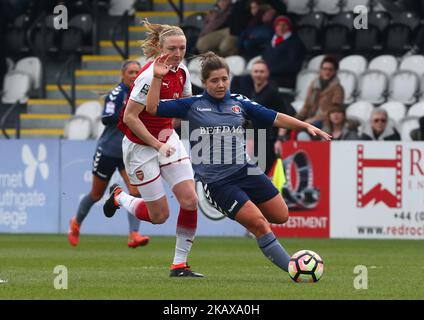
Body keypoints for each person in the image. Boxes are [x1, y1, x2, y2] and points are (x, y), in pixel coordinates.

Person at [139, 51, 331, 275]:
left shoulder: (239, 102)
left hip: (246, 171)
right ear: (204, 82)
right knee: (259, 224)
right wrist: (157, 78)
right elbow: (152, 108)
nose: (221, 84)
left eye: (224, 79)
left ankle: (248, 210)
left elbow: (275, 116)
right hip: (218, 182)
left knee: (281, 215)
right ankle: (294, 269)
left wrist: (306, 126)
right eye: (214, 80)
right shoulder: (192, 105)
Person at [103, 21, 203, 278]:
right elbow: (130, 118)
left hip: (167, 139)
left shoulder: (182, 71)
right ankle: (119, 197)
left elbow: (183, 107)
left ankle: (179, 264)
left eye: (182, 47)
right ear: (160, 47)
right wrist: (157, 143)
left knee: (191, 201)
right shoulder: (147, 76)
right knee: (159, 216)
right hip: (140, 146)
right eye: (172, 48)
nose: (178, 53)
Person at [68, 60, 150, 248]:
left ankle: (134, 234)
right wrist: (129, 114)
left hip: (126, 152)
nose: (134, 75)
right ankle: (75, 223)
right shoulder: (116, 94)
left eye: (137, 71)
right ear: (123, 75)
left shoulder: (142, 92)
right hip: (108, 151)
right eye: (130, 72)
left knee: (135, 191)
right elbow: (106, 118)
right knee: (96, 195)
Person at [231, 59, 296, 173]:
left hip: (266, 140)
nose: (258, 74)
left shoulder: (273, 93)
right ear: (251, 73)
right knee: (251, 176)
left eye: (261, 72)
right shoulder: (252, 93)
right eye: (256, 71)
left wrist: (280, 140)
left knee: (258, 176)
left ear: (267, 74)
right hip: (252, 139)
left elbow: (283, 116)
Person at [296, 55, 344, 139]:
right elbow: (306, 106)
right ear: (320, 70)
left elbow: (334, 110)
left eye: (330, 69)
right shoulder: (313, 85)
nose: (327, 72)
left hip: (326, 122)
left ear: (335, 71)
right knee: (290, 128)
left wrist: (312, 120)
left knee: (305, 130)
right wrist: (296, 119)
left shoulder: (338, 88)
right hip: (311, 120)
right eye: (324, 69)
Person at [261, 15, 304, 89]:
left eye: (284, 25)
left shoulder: (295, 43)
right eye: (278, 25)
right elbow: (264, 57)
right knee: (241, 79)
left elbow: (293, 65)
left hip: (284, 78)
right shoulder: (271, 41)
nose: (281, 28)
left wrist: (271, 70)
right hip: (268, 75)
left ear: (289, 27)